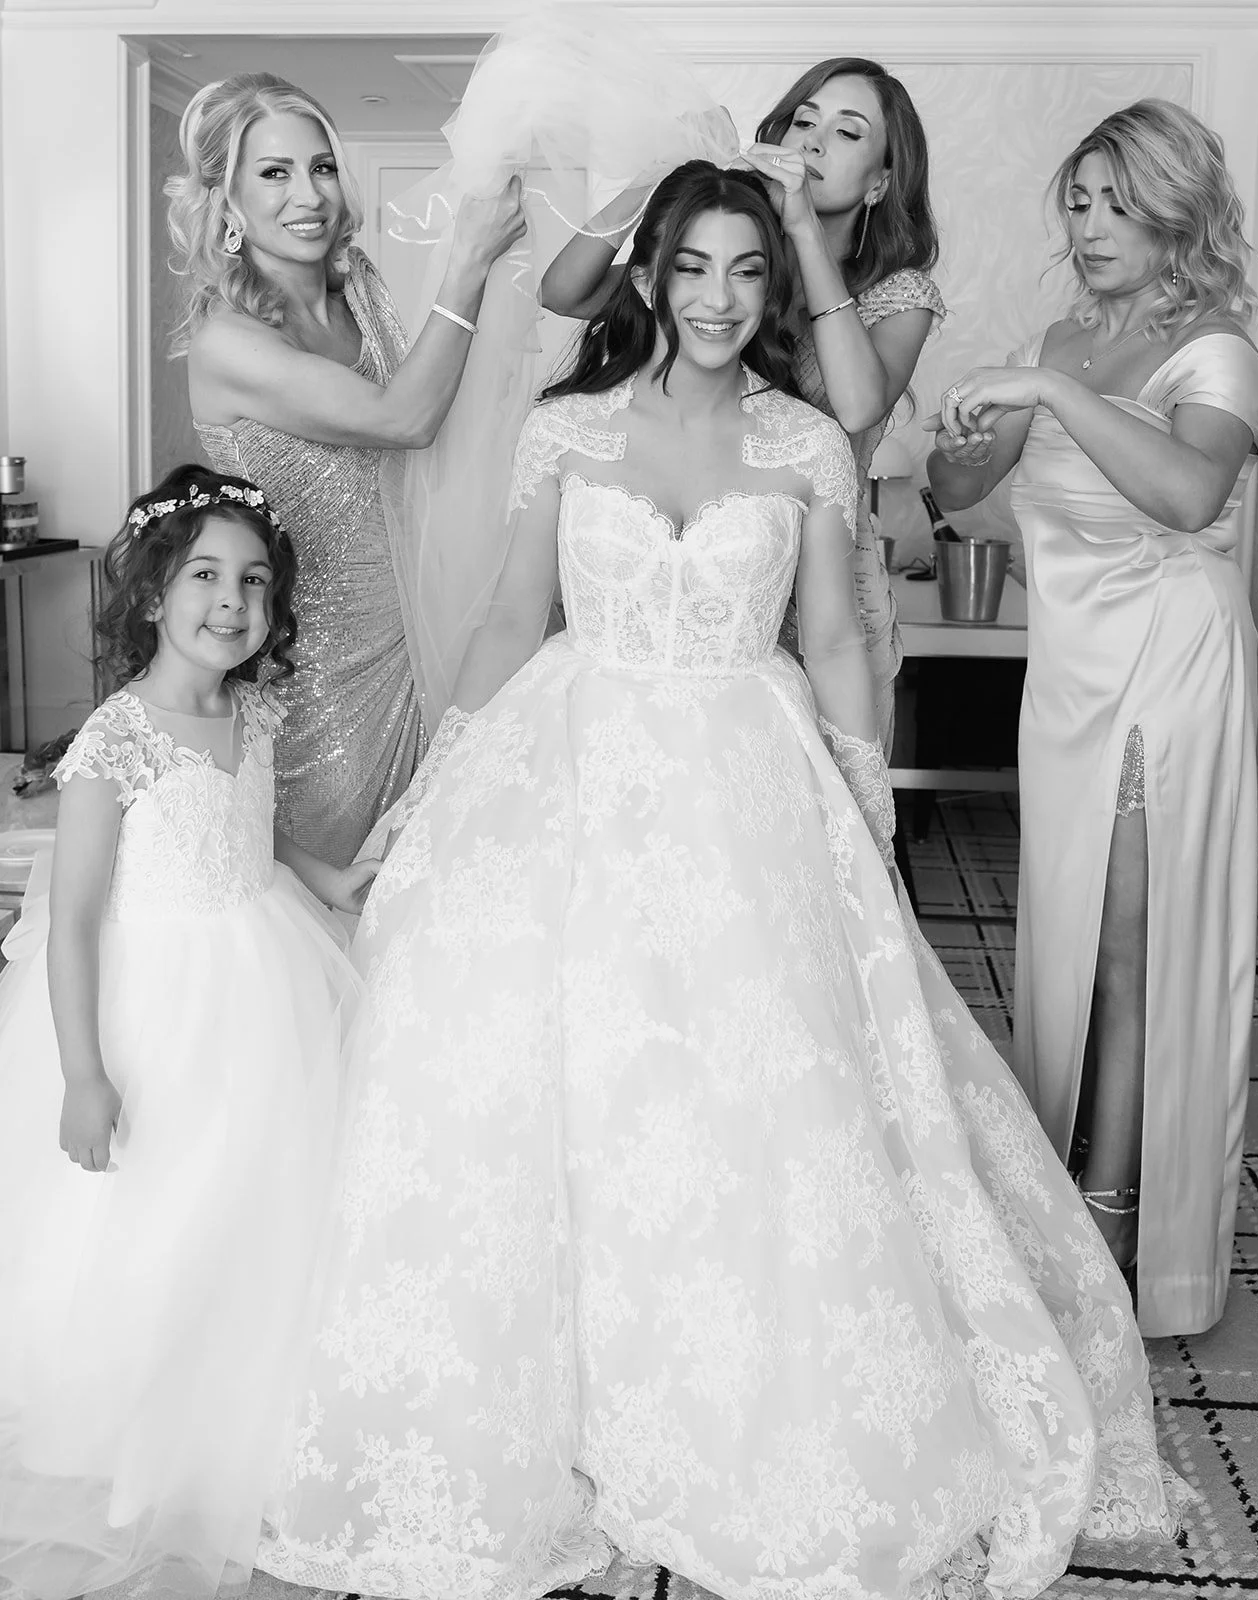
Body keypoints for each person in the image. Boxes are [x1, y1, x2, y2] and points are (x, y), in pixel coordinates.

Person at [258, 162, 1177, 1600]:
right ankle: (564, 1425)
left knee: (754, 1084)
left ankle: (735, 1410)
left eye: (749, 273)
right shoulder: (565, 430)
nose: (719, 300)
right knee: (561, 1082)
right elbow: (510, 616)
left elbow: (835, 639)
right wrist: (441, 781)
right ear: (649, 273)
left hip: (749, 778)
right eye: (694, 268)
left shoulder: (807, 441)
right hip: (574, 758)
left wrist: (865, 808)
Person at [924, 100, 1258, 1336]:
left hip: (1163, 666)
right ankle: (1057, 1192)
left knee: (1132, 949)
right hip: (1067, 674)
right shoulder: (1060, 340)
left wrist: (1044, 392)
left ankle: (1120, 1227)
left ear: (1175, 211)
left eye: (1114, 202)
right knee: (1061, 933)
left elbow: (1185, 492)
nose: (1087, 226)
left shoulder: (1216, 347)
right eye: (1076, 200)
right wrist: (968, 436)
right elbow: (959, 500)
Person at [0, 465, 377, 1599]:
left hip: (260, 970)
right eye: (205, 575)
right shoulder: (117, 737)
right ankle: (131, 1428)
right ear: (153, 592)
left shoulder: (249, 711)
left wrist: (336, 877)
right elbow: (70, 921)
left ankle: (238, 1403)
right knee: (156, 1210)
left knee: (258, 1200)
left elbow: (249, 838)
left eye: (254, 581)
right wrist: (82, 1071)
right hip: (156, 1001)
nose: (232, 603)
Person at [167, 73, 526, 864]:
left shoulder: (357, 287)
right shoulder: (227, 342)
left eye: (321, 167)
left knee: (431, 880)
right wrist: (466, 264)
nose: (309, 195)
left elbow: (445, 408)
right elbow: (406, 419)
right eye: (274, 173)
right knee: (335, 901)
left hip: (416, 634)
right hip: (316, 676)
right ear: (226, 203)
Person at [540, 57, 945, 745]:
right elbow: (564, 292)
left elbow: (854, 408)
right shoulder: (730, 264)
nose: (812, 143)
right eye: (802, 121)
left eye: (846, 133)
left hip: (824, 590)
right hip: (703, 569)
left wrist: (800, 227)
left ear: (881, 181)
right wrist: (659, 175)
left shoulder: (900, 295)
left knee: (823, 792)